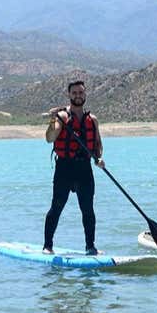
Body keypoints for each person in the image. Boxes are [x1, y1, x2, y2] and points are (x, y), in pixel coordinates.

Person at [43, 80, 106, 255]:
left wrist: (99, 159)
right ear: (69, 95)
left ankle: (90, 247)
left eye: (81, 93)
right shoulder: (62, 118)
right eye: (74, 93)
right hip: (64, 169)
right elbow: (49, 138)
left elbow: (98, 145)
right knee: (57, 207)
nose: (78, 96)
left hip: (85, 169)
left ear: (85, 95)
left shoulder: (93, 120)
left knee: (88, 210)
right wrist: (51, 119)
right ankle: (48, 246)